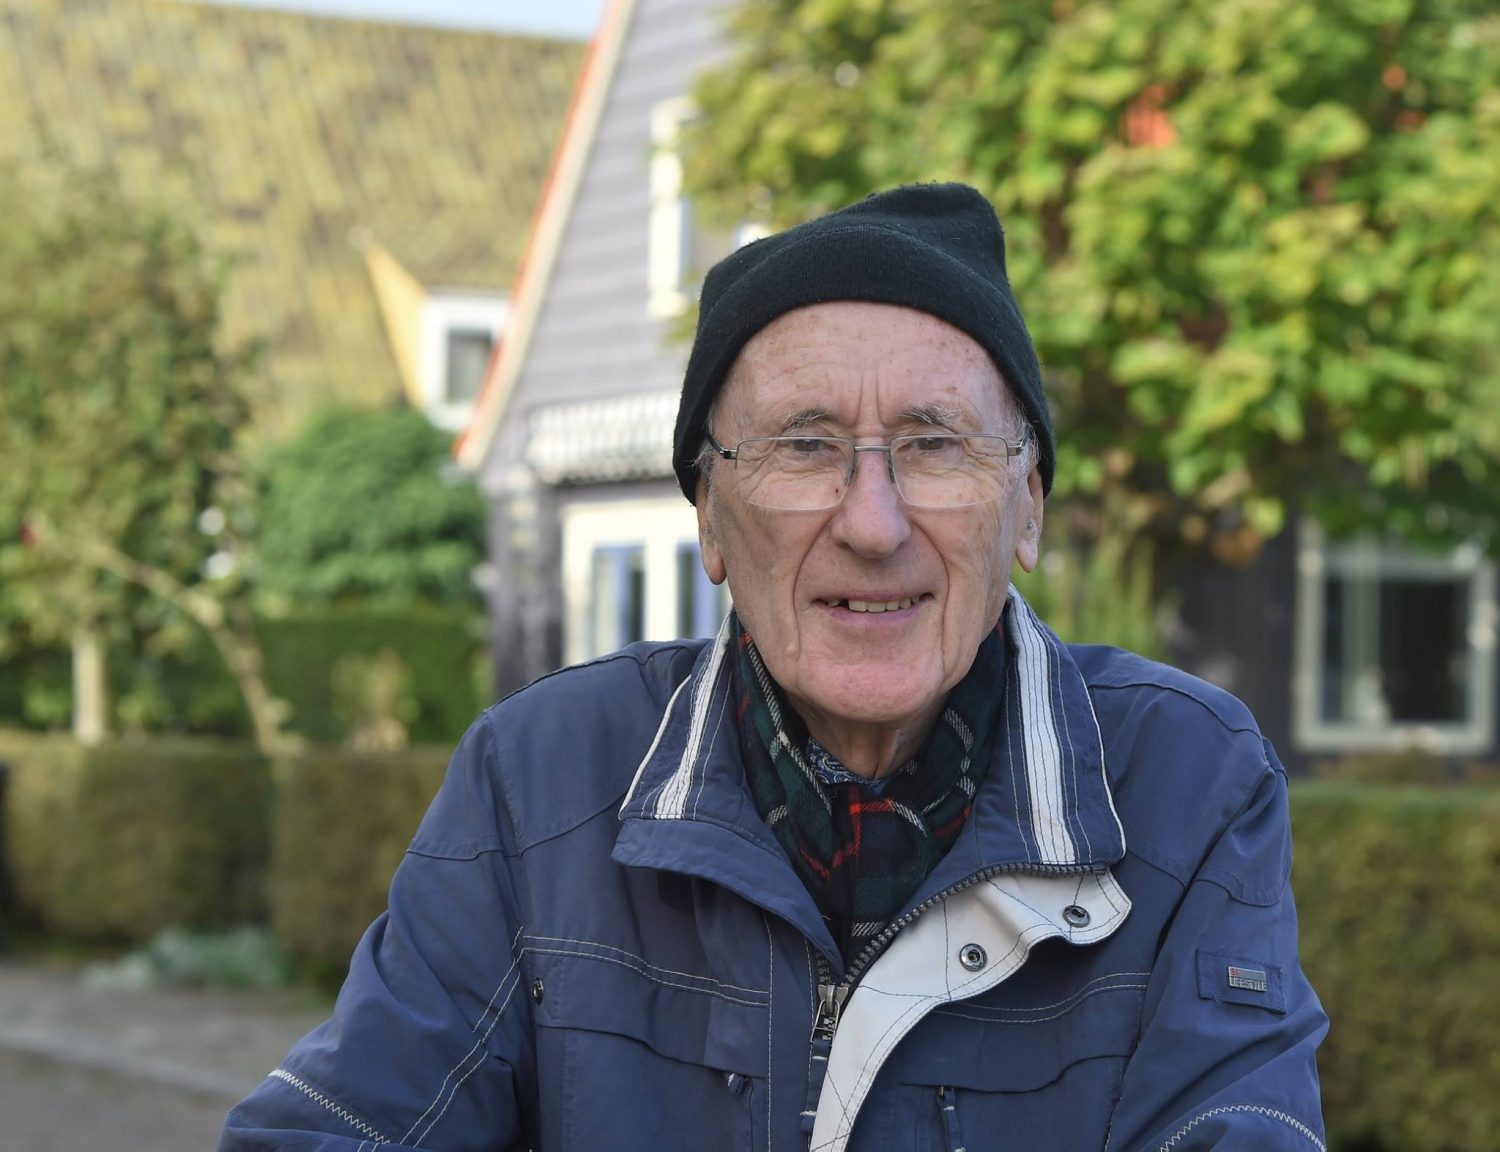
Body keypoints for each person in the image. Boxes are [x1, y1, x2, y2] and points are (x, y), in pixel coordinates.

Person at [221, 183, 1327, 1151]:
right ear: (709, 514)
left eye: (936, 444)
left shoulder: (1189, 784)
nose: (873, 522)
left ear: (1027, 505)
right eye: (805, 445)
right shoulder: (538, 781)